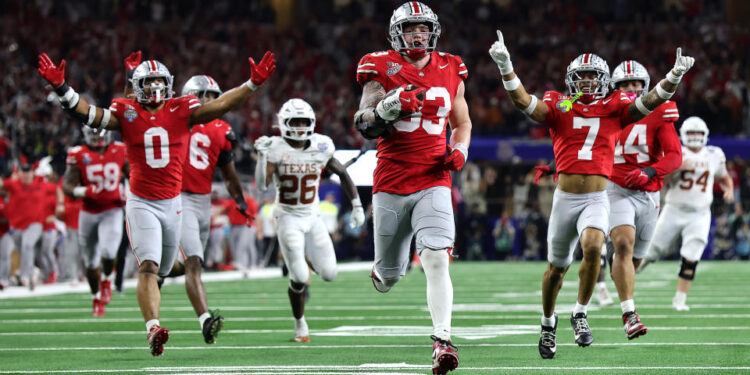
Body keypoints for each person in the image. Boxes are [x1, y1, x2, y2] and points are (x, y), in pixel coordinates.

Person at [37, 50, 276, 356]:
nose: (154, 89)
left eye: (159, 83)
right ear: (136, 87)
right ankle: (153, 328)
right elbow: (88, 113)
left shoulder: (182, 108)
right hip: (142, 202)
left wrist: (252, 84)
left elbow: (220, 105)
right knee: (148, 266)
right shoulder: (126, 111)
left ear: (169, 84)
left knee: (164, 268)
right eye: (147, 84)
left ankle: (178, 287)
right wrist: (62, 89)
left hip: (173, 203)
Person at [489, 30, 694, 358]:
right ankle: (547, 322)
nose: (586, 82)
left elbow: (650, 101)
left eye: (592, 77)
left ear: (603, 80)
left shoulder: (616, 106)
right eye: (580, 77)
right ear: (571, 80)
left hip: (598, 197)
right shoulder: (561, 103)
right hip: (565, 198)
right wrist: (506, 68)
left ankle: (580, 313)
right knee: (556, 268)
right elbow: (525, 103)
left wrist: (673, 76)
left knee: (595, 248)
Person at [353, 2, 472, 373]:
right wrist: (388, 107)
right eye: (410, 29)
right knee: (390, 275)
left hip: (434, 177)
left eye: (423, 28)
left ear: (433, 30)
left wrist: (461, 150)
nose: (418, 34)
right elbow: (363, 122)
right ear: (397, 33)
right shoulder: (380, 66)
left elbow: (462, 121)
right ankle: (383, 271)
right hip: (391, 180)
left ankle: (442, 340)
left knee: (437, 257)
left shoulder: (452, 67)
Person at [255, 98, 365, 343]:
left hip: (313, 216)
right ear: (284, 123)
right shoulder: (275, 147)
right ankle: (300, 323)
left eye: (304, 121)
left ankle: (303, 261)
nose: (300, 126)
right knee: (300, 276)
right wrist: (263, 159)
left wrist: (357, 204)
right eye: (295, 121)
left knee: (329, 273)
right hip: (287, 217)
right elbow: (262, 184)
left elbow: (341, 173)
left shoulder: (321, 145)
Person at [167, 75, 254, 344]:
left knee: (191, 264)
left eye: (212, 96)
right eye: (202, 95)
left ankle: (155, 271)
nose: (208, 101)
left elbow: (228, 173)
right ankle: (205, 320)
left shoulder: (220, 129)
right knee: (194, 263)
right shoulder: (176, 120)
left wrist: (240, 199)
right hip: (178, 198)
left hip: (203, 202)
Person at [605, 60, 683, 339]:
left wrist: (649, 170)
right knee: (624, 245)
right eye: (625, 84)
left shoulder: (659, 110)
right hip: (615, 187)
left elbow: (675, 155)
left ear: (647, 86)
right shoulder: (608, 111)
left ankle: (612, 268)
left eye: (636, 84)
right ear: (614, 88)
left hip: (649, 192)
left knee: (634, 260)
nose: (632, 89)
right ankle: (630, 314)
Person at [640, 116, 734, 311]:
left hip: (700, 213)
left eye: (698, 133)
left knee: (692, 255)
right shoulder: (676, 153)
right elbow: (661, 182)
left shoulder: (714, 154)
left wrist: (729, 190)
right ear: (683, 134)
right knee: (650, 252)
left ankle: (680, 299)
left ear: (705, 135)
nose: (694, 137)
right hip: (674, 209)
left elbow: (724, 177)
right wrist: (674, 167)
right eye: (691, 133)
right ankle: (626, 278)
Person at [62, 127, 128, 316]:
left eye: (101, 133)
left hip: (112, 209)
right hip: (88, 211)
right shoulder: (78, 154)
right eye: (94, 134)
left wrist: (129, 195)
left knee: (108, 251)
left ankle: (107, 279)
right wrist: (84, 191)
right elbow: (67, 186)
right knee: (90, 262)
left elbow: (133, 175)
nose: (98, 138)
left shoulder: (120, 150)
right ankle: (96, 297)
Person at [0, 162, 58, 290]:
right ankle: (32, 271)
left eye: (28, 172)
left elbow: (57, 189)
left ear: (32, 173)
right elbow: (1, 185)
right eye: (24, 172)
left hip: (35, 224)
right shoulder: (14, 184)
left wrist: (59, 206)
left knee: (28, 245)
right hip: (16, 226)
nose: (26, 175)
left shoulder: (41, 185)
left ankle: (25, 276)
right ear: (20, 173)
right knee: (23, 250)